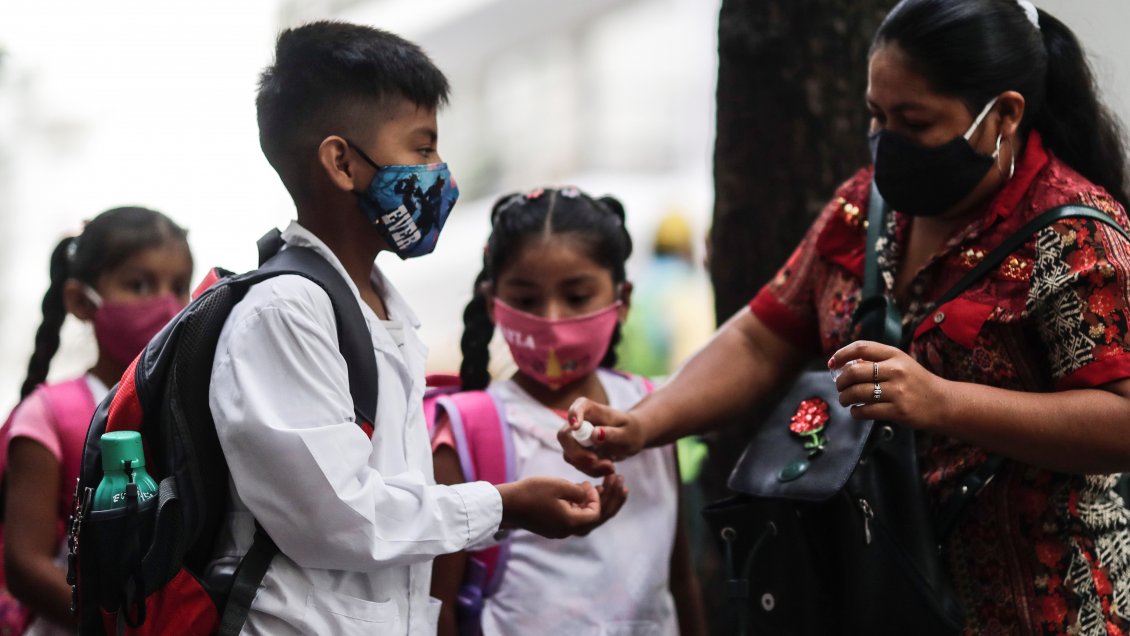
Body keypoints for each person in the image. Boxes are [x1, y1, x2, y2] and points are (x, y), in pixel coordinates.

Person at [560, 0, 1130, 632]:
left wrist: (942, 401)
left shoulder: (1074, 236)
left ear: (1004, 114)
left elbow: (1122, 419)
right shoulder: (867, 206)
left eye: (914, 121)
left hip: (1036, 607)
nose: (888, 142)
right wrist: (643, 424)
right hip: (867, 596)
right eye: (876, 117)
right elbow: (762, 336)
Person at [208, 22, 611, 635]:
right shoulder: (286, 312)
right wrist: (503, 503)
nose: (439, 173)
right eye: (421, 150)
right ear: (342, 162)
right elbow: (338, 517)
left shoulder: (376, 307)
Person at [429, 187, 706, 636]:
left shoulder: (653, 413)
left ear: (623, 299)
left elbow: (679, 579)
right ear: (491, 304)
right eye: (526, 300)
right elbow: (436, 607)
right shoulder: (464, 432)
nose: (552, 320)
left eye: (576, 297)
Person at [1, 207, 192, 635]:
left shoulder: (191, 411)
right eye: (138, 284)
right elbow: (24, 565)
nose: (165, 304)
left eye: (179, 287)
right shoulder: (50, 413)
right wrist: (118, 623)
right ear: (81, 302)